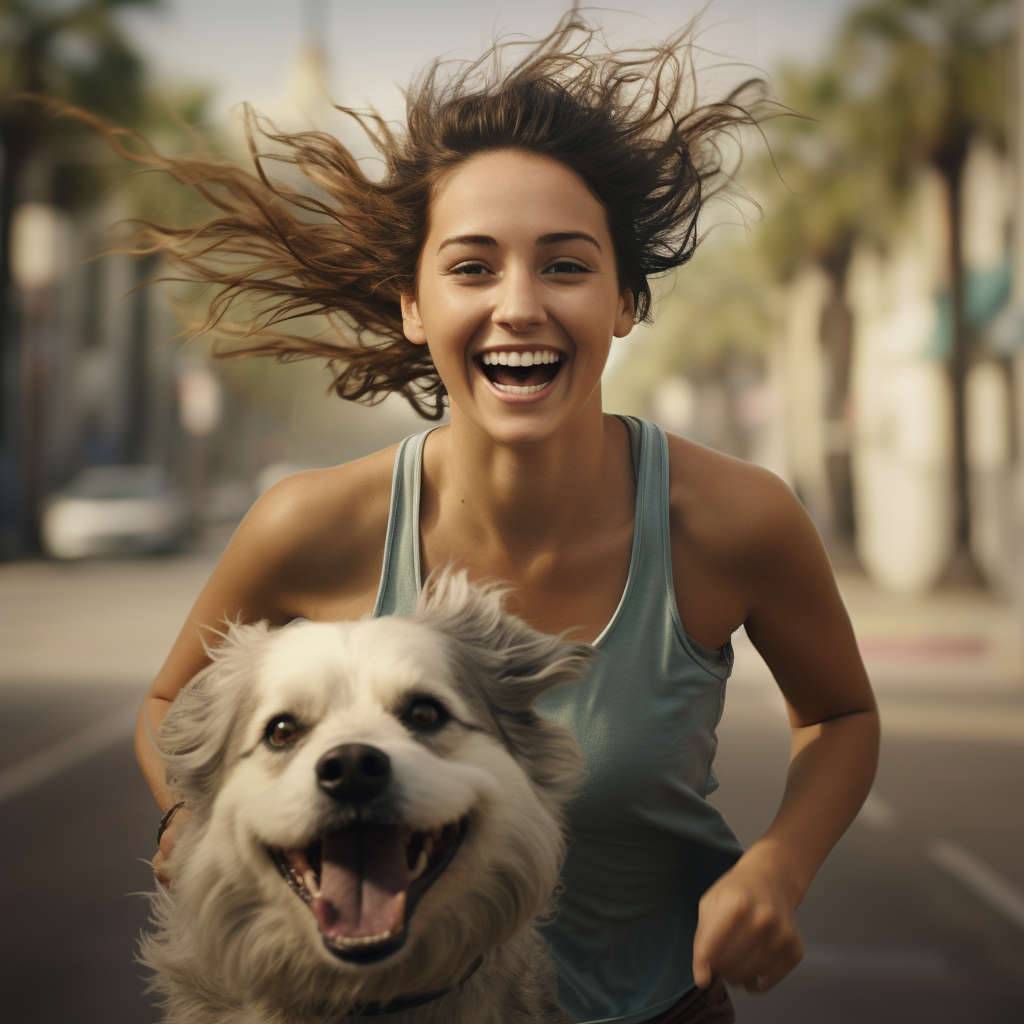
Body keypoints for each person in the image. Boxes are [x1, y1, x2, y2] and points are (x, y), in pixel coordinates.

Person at [130, 14, 879, 1024]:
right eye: (472, 267)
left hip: (656, 1007)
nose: (517, 304)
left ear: (624, 300)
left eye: (564, 265)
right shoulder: (306, 523)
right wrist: (190, 819)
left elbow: (839, 716)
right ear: (411, 304)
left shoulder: (734, 517)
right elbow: (170, 710)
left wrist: (779, 868)